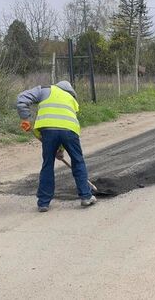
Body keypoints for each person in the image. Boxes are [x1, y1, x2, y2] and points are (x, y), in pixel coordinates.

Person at [17, 80, 96, 212]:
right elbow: (65, 125)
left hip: (48, 131)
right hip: (70, 132)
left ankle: (43, 203)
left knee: (47, 164)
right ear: (71, 92)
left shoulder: (45, 90)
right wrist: (60, 148)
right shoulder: (72, 100)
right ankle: (86, 196)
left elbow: (21, 99)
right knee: (78, 161)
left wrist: (25, 118)